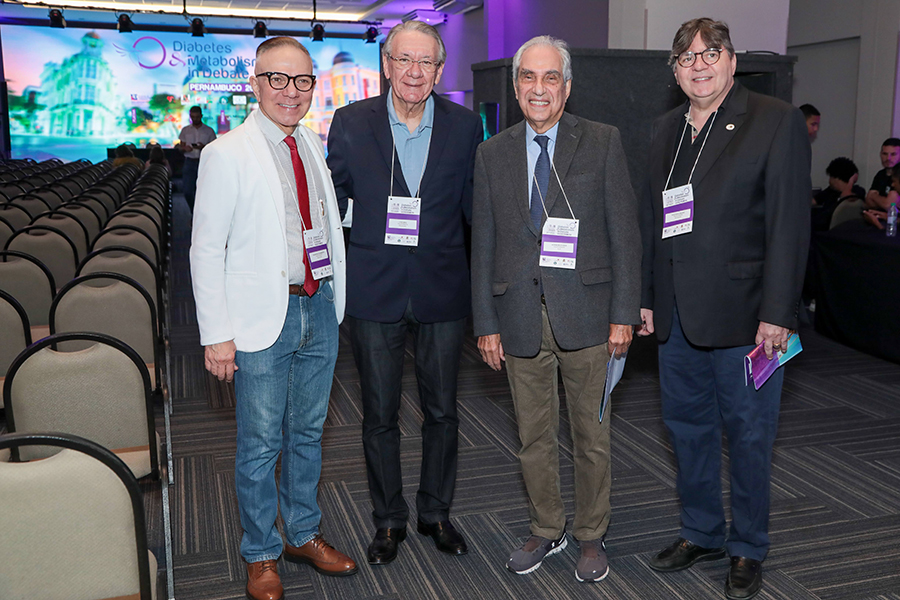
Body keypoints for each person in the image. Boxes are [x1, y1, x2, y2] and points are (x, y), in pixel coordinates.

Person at [637, 18, 810, 600]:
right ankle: (702, 531)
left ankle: (748, 546)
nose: (700, 65)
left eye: (711, 53)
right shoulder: (664, 129)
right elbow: (654, 220)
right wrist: (648, 296)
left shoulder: (774, 119)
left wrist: (778, 311)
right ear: (675, 71)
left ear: (732, 61)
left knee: (750, 435)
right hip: (677, 317)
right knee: (687, 430)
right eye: (687, 57)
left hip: (748, 319)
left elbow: (789, 223)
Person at [190, 37, 356, 600]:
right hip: (262, 318)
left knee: (308, 433)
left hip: (318, 306)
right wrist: (217, 335)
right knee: (260, 444)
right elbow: (205, 250)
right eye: (278, 79)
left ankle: (302, 534)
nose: (291, 91)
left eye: (302, 80)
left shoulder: (309, 141)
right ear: (256, 84)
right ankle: (260, 552)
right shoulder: (226, 152)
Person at [471, 35, 641, 583]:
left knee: (592, 438)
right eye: (528, 77)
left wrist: (624, 313)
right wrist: (486, 322)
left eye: (550, 78)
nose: (538, 88)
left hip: (589, 316)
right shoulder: (492, 153)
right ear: (515, 86)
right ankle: (547, 527)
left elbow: (625, 235)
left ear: (566, 87)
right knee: (533, 438)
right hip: (518, 316)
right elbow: (483, 245)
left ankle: (591, 534)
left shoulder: (602, 141)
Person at [326, 21, 483, 566]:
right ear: (387, 65)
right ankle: (388, 520)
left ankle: (435, 512)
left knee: (443, 412)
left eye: (426, 62)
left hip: (443, 288)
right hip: (375, 290)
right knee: (379, 414)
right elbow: (332, 205)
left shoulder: (466, 126)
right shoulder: (350, 123)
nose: (415, 72)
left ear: (439, 70)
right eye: (404, 60)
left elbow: (476, 212)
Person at [177, 105, 216, 212]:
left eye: (197, 117)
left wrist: (204, 147)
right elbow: (180, 147)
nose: (195, 119)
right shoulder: (185, 130)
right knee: (188, 191)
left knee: (205, 190)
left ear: (201, 116)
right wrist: (185, 148)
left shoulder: (209, 131)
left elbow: (214, 149)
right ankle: (193, 212)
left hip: (204, 162)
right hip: (189, 161)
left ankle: (202, 213)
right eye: (193, 117)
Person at [811, 156, 864, 231]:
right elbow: (813, 201)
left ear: (836, 178)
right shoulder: (830, 191)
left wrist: (850, 182)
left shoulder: (857, 192)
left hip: (829, 231)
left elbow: (846, 198)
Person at [865, 137, 900, 210]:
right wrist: (884, 202)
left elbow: (889, 205)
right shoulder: (880, 174)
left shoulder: (898, 176)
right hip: (877, 214)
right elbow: (868, 202)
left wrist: (874, 196)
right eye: (885, 154)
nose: (888, 158)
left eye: (893, 154)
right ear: (880, 154)